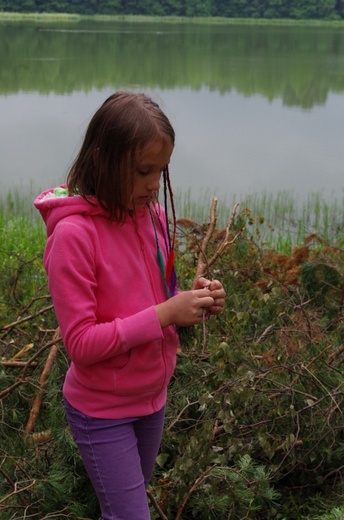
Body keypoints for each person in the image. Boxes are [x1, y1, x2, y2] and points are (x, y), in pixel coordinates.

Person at [34, 91, 225, 520]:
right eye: (143, 171)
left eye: (161, 171)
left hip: (151, 399)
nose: (154, 184)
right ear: (103, 158)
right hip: (101, 411)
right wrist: (165, 315)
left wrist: (190, 299)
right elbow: (81, 344)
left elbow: (156, 302)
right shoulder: (73, 237)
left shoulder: (151, 214)